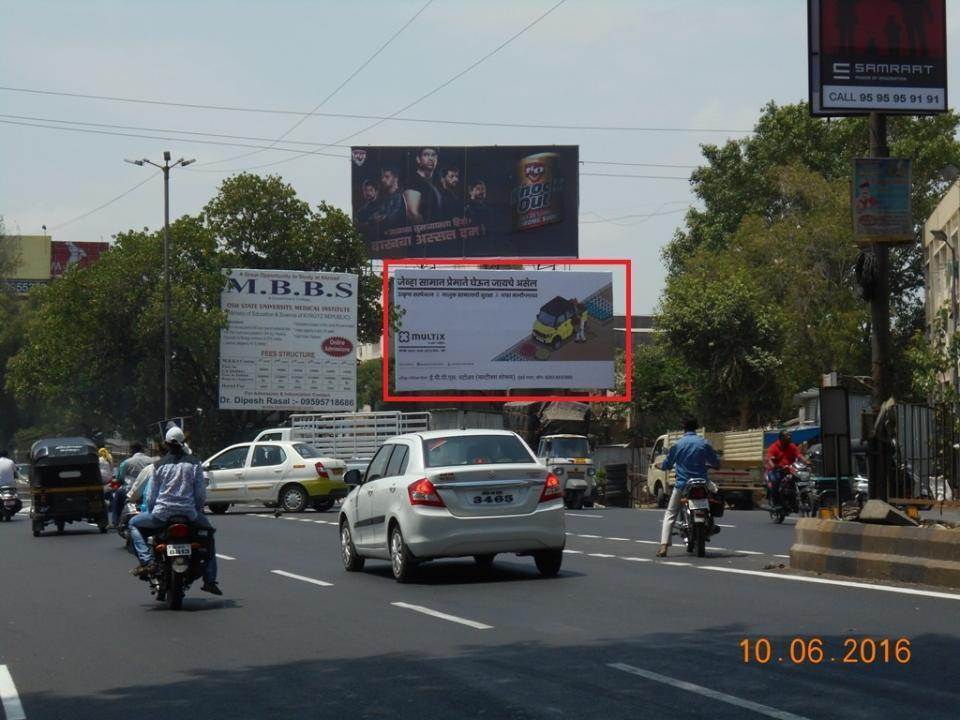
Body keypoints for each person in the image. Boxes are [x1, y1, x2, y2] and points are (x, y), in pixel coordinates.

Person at [128, 427, 222, 595]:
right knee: (209, 536)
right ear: (183, 443)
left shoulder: (158, 465)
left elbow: (151, 496)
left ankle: (147, 561)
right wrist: (197, 510)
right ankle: (210, 580)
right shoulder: (194, 463)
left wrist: (151, 511)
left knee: (133, 524)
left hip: (162, 515)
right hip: (189, 514)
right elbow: (200, 494)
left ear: (166, 444)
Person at [655, 416, 720, 558]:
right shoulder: (704, 443)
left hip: (683, 484)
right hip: (702, 482)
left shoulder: (677, 445)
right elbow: (715, 462)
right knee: (716, 493)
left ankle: (664, 547)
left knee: (670, 513)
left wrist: (661, 465)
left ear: (683, 427)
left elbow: (667, 464)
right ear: (696, 427)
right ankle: (711, 522)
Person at [111, 443, 153, 528]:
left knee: (118, 495)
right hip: (148, 489)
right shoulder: (152, 461)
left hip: (131, 489)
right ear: (142, 450)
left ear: (132, 451)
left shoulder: (126, 462)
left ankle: (115, 522)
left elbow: (120, 478)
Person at [764, 431, 808, 508]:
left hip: (789, 468)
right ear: (781, 438)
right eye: (787, 437)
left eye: (790, 437)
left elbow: (799, 455)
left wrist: (806, 461)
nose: (789, 438)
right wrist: (773, 465)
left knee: (799, 478)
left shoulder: (792, 446)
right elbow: (769, 458)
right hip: (775, 469)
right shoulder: (774, 447)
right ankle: (776, 500)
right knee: (776, 481)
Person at [403, 147, 442, 225]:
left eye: (433, 155)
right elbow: (412, 214)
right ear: (418, 159)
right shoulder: (413, 181)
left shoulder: (436, 182)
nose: (430, 158)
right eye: (426, 155)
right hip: (424, 233)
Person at [377, 166, 408, 231]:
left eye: (387, 177)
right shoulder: (386, 198)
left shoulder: (402, 196)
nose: (383, 180)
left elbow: (395, 219)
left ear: (396, 178)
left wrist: (383, 217)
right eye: (382, 177)